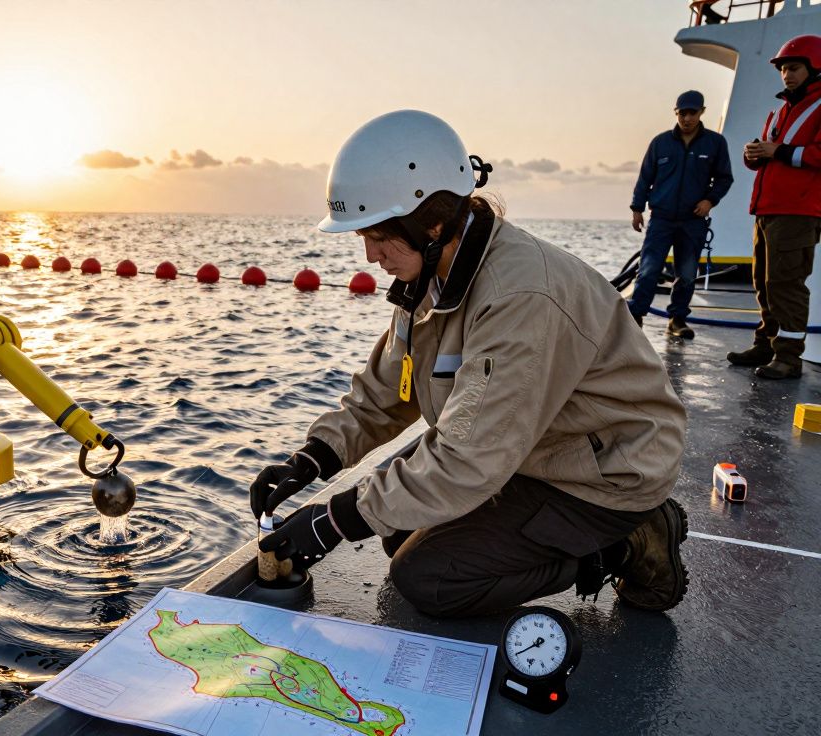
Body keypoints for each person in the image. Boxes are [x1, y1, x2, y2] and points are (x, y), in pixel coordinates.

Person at [250, 110, 690, 618]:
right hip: (527, 444)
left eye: (379, 236)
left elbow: (467, 458)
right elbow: (390, 391)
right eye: (362, 239)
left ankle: (625, 543)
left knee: (428, 578)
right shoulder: (431, 278)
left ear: (431, 219)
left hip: (603, 470)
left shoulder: (519, 295)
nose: (371, 257)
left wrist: (334, 521)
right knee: (397, 526)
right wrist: (312, 458)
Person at [729, 34, 821, 380]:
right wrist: (753, 155)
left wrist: (777, 152)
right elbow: (772, 155)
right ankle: (765, 344)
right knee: (764, 284)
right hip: (767, 209)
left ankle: (788, 358)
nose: (787, 75)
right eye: (783, 69)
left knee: (787, 284)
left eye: (794, 68)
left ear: (814, 68)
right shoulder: (780, 110)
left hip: (798, 212)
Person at [628, 90, 733, 339]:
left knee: (686, 273)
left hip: (693, 221)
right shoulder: (660, 143)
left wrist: (710, 200)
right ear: (676, 113)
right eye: (682, 113)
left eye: (692, 113)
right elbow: (645, 177)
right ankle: (635, 318)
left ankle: (677, 320)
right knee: (649, 269)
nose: (686, 118)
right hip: (661, 219)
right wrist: (636, 208)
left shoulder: (715, 143)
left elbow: (724, 178)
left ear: (701, 112)